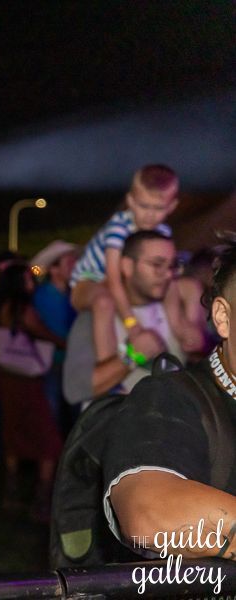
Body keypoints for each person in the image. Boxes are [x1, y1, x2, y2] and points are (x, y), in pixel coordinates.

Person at [103, 232, 236, 561]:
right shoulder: (169, 396)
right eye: (155, 263)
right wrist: (132, 355)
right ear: (223, 317)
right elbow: (148, 511)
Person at [69, 164, 200, 368]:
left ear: (171, 206)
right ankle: (108, 366)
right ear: (130, 201)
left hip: (123, 283)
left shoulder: (163, 232)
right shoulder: (118, 227)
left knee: (189, 286)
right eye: (143, 206)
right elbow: (113, 279)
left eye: (158, 208)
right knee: (104, 302)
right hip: (88, 280)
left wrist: (178, 323)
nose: (149, 215)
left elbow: (170, 278)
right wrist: (132, 325)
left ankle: (189, 344)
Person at [63, 231, 185, 406]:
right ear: (127, 266)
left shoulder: (177, 310)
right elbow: (75, 389)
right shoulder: (95, 315)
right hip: (115, 430)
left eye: (172, 265)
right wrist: (132, 355)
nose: (167, 274)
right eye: (157, 264)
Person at [0, 263, 66, 520]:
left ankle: (10, 492)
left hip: (6, 377)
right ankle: (42, 499)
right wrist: (67, 343)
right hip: (28, 379)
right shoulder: (24, 309)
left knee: (13, 429)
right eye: (27, 280)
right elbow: (44, 333)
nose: (32, 284)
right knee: (48, 438)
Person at [31, 240, 79, 432]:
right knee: (52, 409)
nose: (74, 266)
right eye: (68, 262)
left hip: (72, 362)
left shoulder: (73, 294)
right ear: (54, 270)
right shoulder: (41, 295)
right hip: (50, 361)